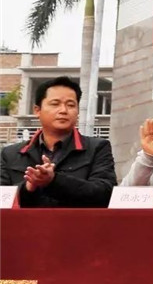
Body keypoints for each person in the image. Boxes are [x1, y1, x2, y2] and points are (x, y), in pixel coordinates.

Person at [0, 76, 115, 208]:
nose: (63, 110)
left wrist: (54, 180)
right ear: (37, 110)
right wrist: (28, 187)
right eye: (55, 104)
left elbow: (106, 194)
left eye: (71, 105)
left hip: (77, 222)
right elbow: (2, 199)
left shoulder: (97, 148)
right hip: (27, 222)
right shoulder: (10, 154)